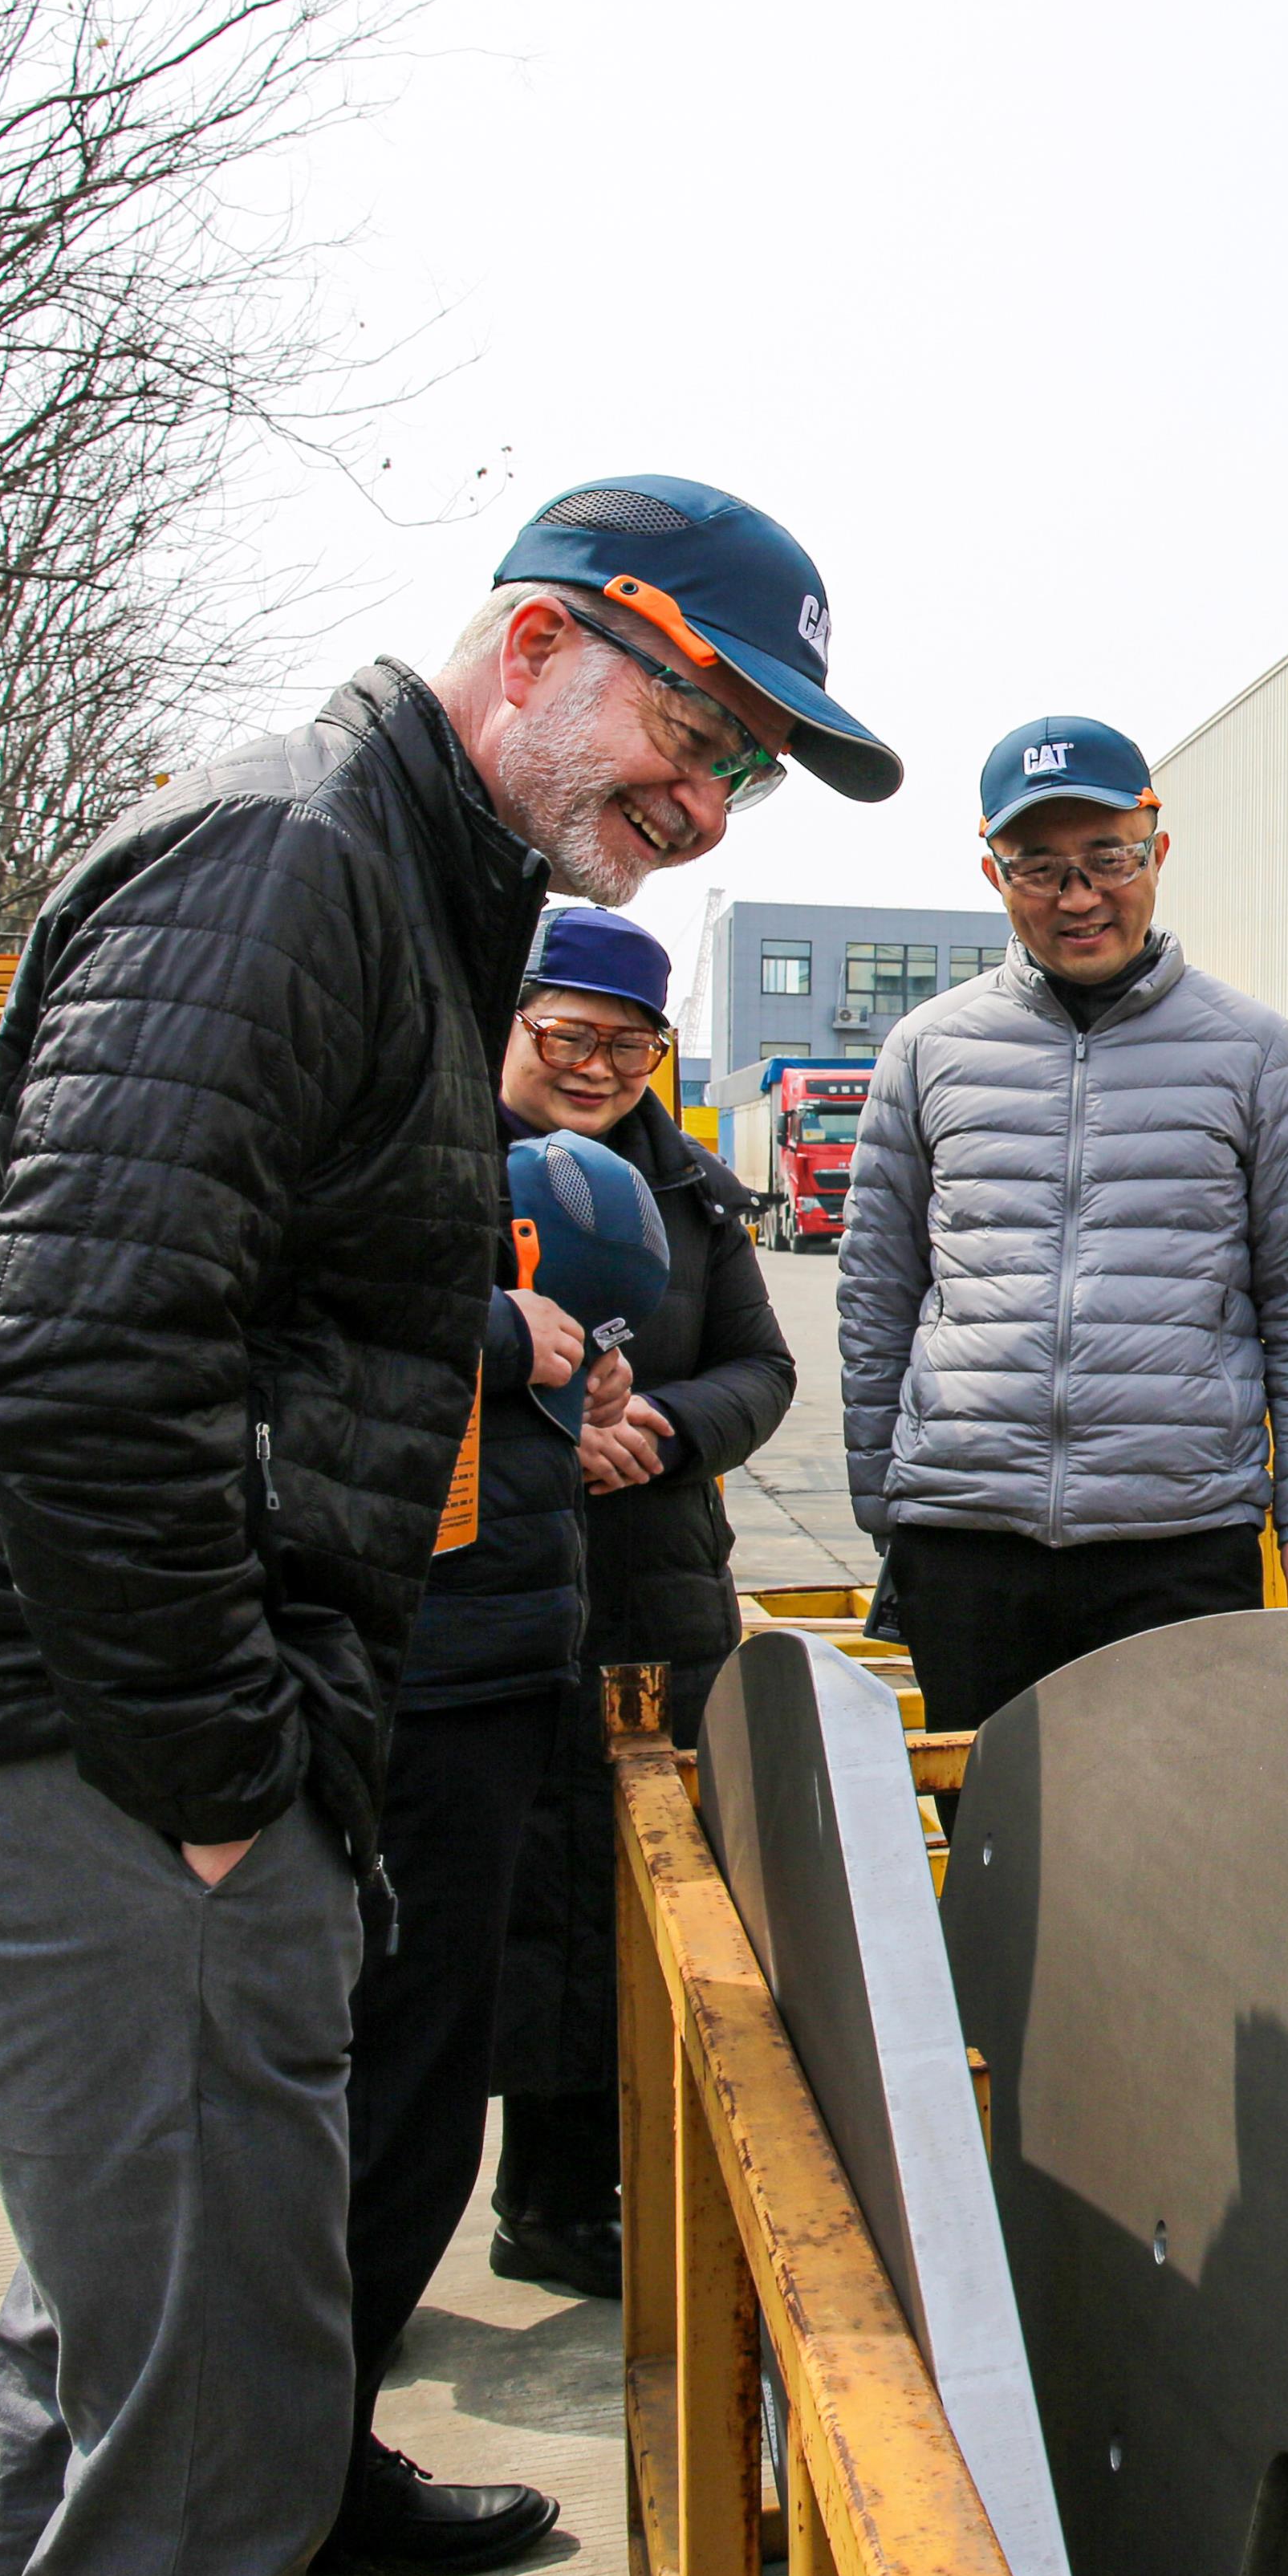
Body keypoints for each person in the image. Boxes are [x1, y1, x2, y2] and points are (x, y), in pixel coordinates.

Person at [0, 471, 895, 2576]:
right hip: (93, 1746)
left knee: (121, 2362)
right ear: (536, 643)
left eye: (746, 774)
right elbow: (78, 1364)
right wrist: (227, 1782)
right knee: (216, 2440)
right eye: (694, 732)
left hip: (129, 1733)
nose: (705, 808)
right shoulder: (289, 868)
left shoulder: (409, 887)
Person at [840, 713, 1288, 1732]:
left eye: (1108, 859)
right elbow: (876, 1294)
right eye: (1040, 869)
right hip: (966, 1536)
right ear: (994, 876)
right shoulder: (925, 1050)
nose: (1079, 897)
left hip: (1177, 1539)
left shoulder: (1253, 1052)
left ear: (1157, 854)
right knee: (988, 1813)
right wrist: (886, 1504)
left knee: (1170, 1820)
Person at [336, 1085, 664, 2576]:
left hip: (487, 1664)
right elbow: (273, 1301)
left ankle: (317, 2447)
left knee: (417, 2079)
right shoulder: (355, 1086)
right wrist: (492, 1334)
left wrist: (557, 1394)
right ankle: (303, 2466)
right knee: (372, 2079)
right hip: (409, 1671)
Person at [483, 908, 793, 2303]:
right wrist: (548, 1431)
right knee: (478, 1907)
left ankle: (563, 2200)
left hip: (650, 1593)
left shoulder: (692, 1193)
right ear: (512, 1023)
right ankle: (381, 2218)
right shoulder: (433, 1171)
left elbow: (761, 1369)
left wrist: (659, 1427)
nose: (596, 1066)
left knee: (623, 1903)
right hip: (481, 1595)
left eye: (629, 1044)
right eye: (568, 1033)